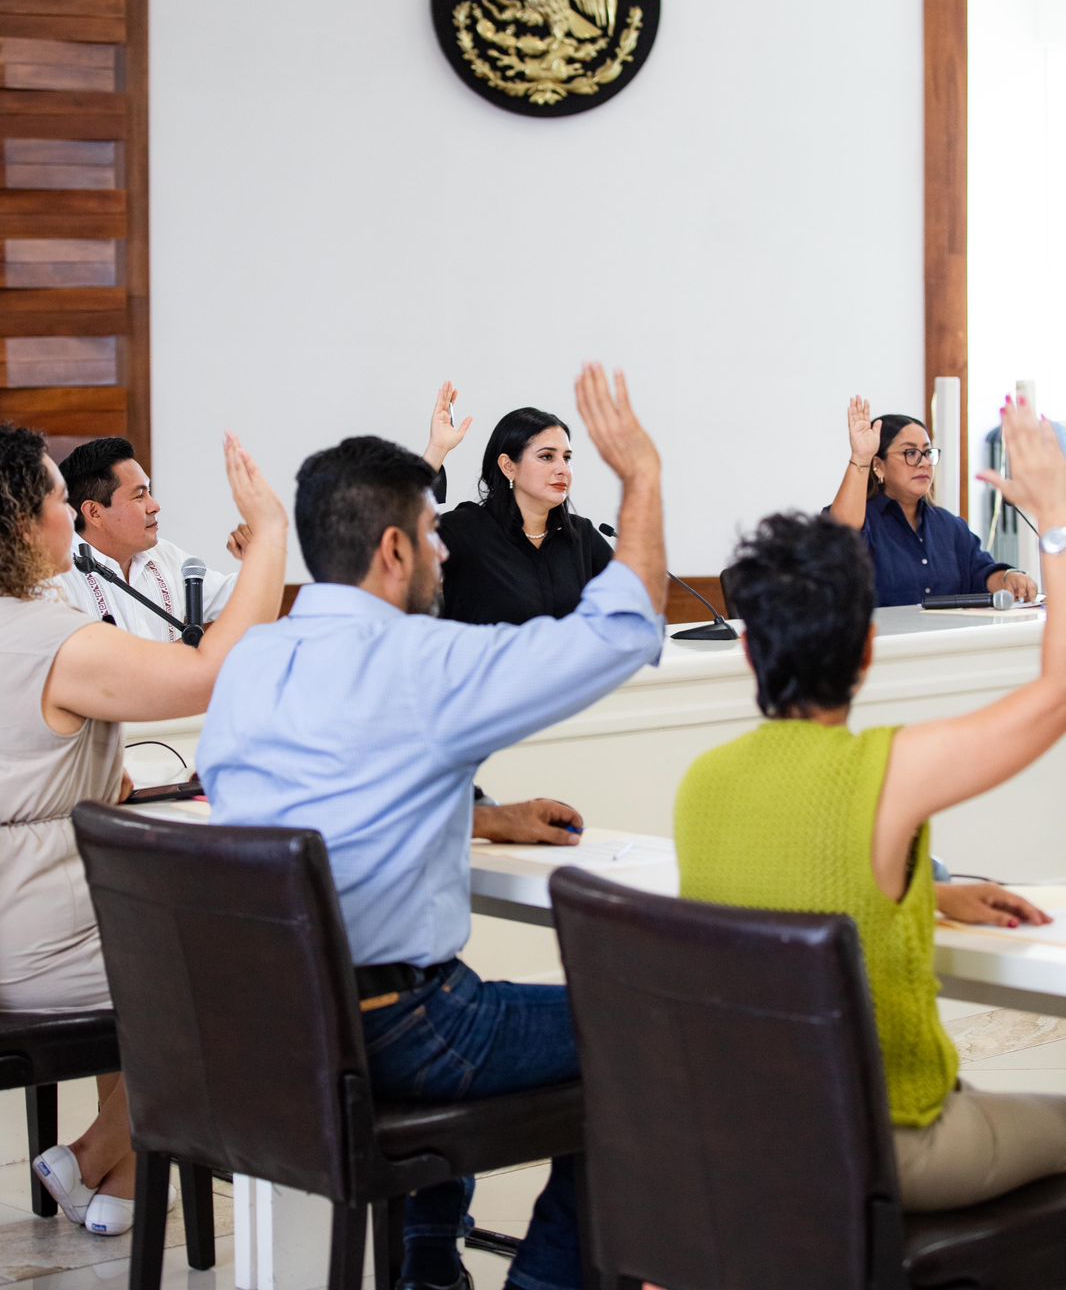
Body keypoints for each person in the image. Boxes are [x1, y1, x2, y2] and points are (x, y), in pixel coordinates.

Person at [196, 364, 666, 1290]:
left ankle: (425, 1268)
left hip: (269, 1028)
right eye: (433, 538)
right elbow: (622, 630)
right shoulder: (424, 662)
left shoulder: (251, 663)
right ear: (395, 552)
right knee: (656, 1029)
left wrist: (485, 816)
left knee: (472, 988)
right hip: (397, 1029)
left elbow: (335, 792)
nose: (448, 554)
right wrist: (642, 476)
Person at [676, 397, 1066, 1211]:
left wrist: (934, 890)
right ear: (866, 649)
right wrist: (1056, 520)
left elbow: (812, 874)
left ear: (749, 646)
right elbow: (1056, 692)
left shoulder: (700, 785)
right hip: (888, 1145)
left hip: (753, 1139)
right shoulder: (888, 774)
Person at [0, 424, 287, 1235]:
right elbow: (209, 673)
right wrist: (270, 536)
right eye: (61, 498)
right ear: (27, 523)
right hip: (40, 931)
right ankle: (93, 1155)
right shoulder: (48, 638)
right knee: (258, 961)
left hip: (19, 909)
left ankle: (110, 1169)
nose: (70, 512)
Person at [423, 380, 614, 625]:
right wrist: (437, 450)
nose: (562, 469)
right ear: (508, 466)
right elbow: (395, 534)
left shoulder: (581, 536)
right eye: (547, 457)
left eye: (566, 458)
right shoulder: (466, 529)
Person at [828, 395, 1037, 606]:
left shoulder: (949, 526)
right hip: (884, 638)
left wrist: (1009, 577)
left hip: (948, 638)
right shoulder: (866, 518)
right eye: (910, 453)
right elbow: (840, 533)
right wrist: (861, 457)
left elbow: (981, 571)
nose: (924, 463)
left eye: (927, 453)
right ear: (879, 466)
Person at [56, 436, 250, 640]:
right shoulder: (57, 578)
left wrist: (262, 553)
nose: (155, 505)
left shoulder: (165, 556)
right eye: (139, 496)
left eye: (148, 491)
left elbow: (240, 599)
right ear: (94, 512)